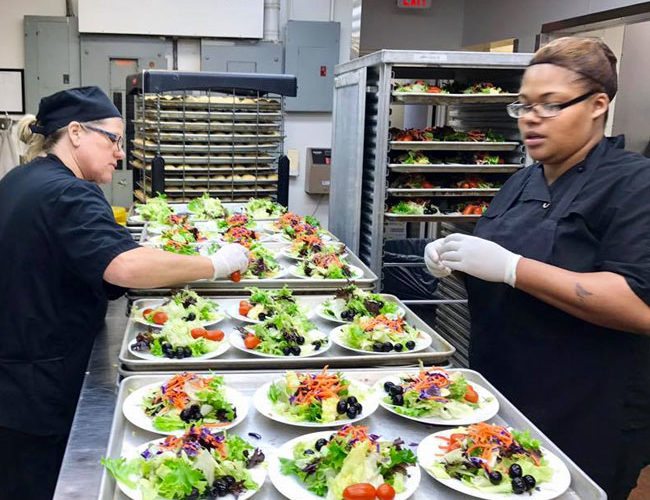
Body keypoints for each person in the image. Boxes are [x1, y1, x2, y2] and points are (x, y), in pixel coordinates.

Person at [425, 37, 650, 499]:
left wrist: (511, 267)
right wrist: (454, 260)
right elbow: (496, 259)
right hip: (504, 390)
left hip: (586, 410)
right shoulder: (523, 180)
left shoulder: (634, 185)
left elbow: (637, 305)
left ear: (598, 105)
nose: (530, 118)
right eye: (524, 105)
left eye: (550, 106)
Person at [0, 86, 250, 499]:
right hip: (36, 387)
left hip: (15, 375)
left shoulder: (23, 179)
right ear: (76, 133)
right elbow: (125, 266)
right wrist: (215, 265)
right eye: (114, 140)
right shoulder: (68, 192)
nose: (120, 154)